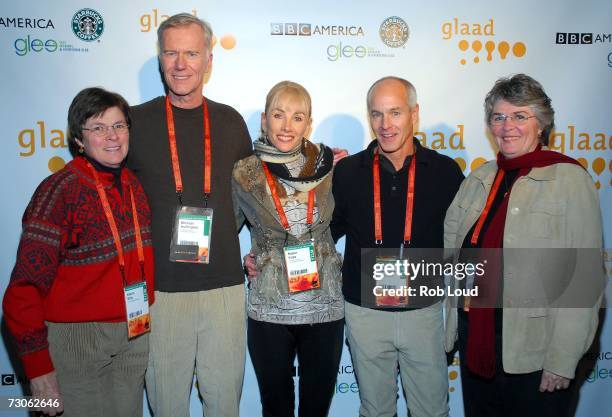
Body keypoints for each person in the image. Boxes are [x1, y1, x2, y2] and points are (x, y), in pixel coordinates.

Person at [443, 73, 603, 417]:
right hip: (479, 344)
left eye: (519, 116)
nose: (507, 126)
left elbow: (584, 281)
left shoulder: (569, 180)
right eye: (499, 117)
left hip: (535, 352)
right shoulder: (479, 178)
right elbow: (451, 254)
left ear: (541, 123)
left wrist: (562, 360)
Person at [126, 13, 252, 417]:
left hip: (225, 290)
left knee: (224, 405)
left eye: (191, 53)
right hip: (160, 294)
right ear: (160, 58)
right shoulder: (131, 123)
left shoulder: (231, 122)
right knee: (166, 406)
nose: (181, 64)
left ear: (209, 60)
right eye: (171, 53)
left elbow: (254, 201)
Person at [3, 87, 155, 417]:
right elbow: (23, 290)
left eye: (119, 125)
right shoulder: (58, 191)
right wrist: (39, 370)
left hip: (135, 331)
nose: (112, 136)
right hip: (79, 341)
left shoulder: (133, 185)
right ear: (79, 140)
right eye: (98, 128)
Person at [331, 76, 464, 417]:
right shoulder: (346, 172)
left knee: (432, 411)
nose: (385, 125)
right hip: (364, 314)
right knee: (375, 411)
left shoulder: (445, 172)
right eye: (377, 114)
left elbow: (466, 243)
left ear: (414, 113)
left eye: (395, 113)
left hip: (424, 313)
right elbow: (324, 234)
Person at [233, 81, 344, 417]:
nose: (287, 126)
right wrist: (244, 258)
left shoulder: (329, 165)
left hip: (324, 305)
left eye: (298, 117)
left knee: (316, 409)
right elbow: (226, 229)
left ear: (308, 123)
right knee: (276, 407)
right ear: (265, 119)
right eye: (279, 115)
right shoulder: (244, 172)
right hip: (269, 308)